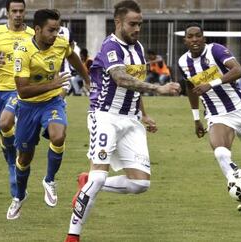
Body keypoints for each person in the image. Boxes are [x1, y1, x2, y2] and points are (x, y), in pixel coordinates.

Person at [64, 1, 180, 241]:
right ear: (118, 22)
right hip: (105, 116)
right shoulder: (110, 47)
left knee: (140, 184)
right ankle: (72, 235)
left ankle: (86, 182)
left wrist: (144, 114)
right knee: (98, 176)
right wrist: (158, 89)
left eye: (140, 24)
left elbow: (133, 88)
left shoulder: (138, 48)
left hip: (131, 120)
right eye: (132, 24)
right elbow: (121, 79)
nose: (137, 28)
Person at [178, 22, 241, 214]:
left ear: (204, 38)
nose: (194, 40)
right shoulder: (183, 62)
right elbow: (190, 88)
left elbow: (238, 70)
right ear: (185, 40)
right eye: (190, 37)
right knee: (221, 153)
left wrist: (211, 84)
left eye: (197, 36)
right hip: (217, 115)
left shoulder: (215, 50)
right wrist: (195, 118)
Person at [6, 9, 90, 220]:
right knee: (24, 158)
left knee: (58, 135)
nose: (55, 34)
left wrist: (88, 79)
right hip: (27, 106)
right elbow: (23, 90)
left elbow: (73, 57)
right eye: (51, 30)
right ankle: (19, 197)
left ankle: (49, 180)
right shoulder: (23, 51)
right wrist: (52, 83)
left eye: (57, 29)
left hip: (52, 102)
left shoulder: (60, 43)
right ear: (37, 29)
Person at [0, 0, 34, 198]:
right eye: (14, 11)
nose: (18, 14)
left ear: (25, 12)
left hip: (20, 90)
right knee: (5, 132)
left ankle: (18, 165)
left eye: (21, 11)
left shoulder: (32, 35)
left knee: (6, 122)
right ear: (7, 13)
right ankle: (13, 164)